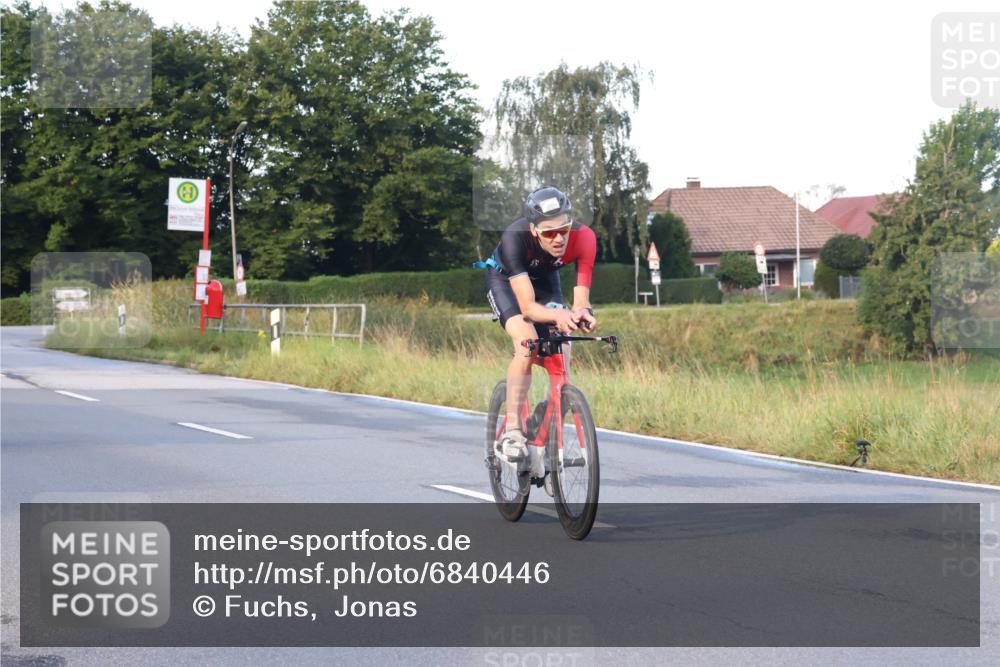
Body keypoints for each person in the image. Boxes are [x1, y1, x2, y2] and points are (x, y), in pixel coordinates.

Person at [482, 186, 597, 480]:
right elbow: (529, 308)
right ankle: (513, 431)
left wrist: (580, 312)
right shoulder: (514, 238)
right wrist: (559, 313)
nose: (558, 238)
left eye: (563, 229)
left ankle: (550, 413)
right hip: (507, 281)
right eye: (549, 233)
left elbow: (581, 297)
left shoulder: (584, 239)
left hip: (546, 279)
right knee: (526, 342)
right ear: (534, 230)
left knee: (563, 344)